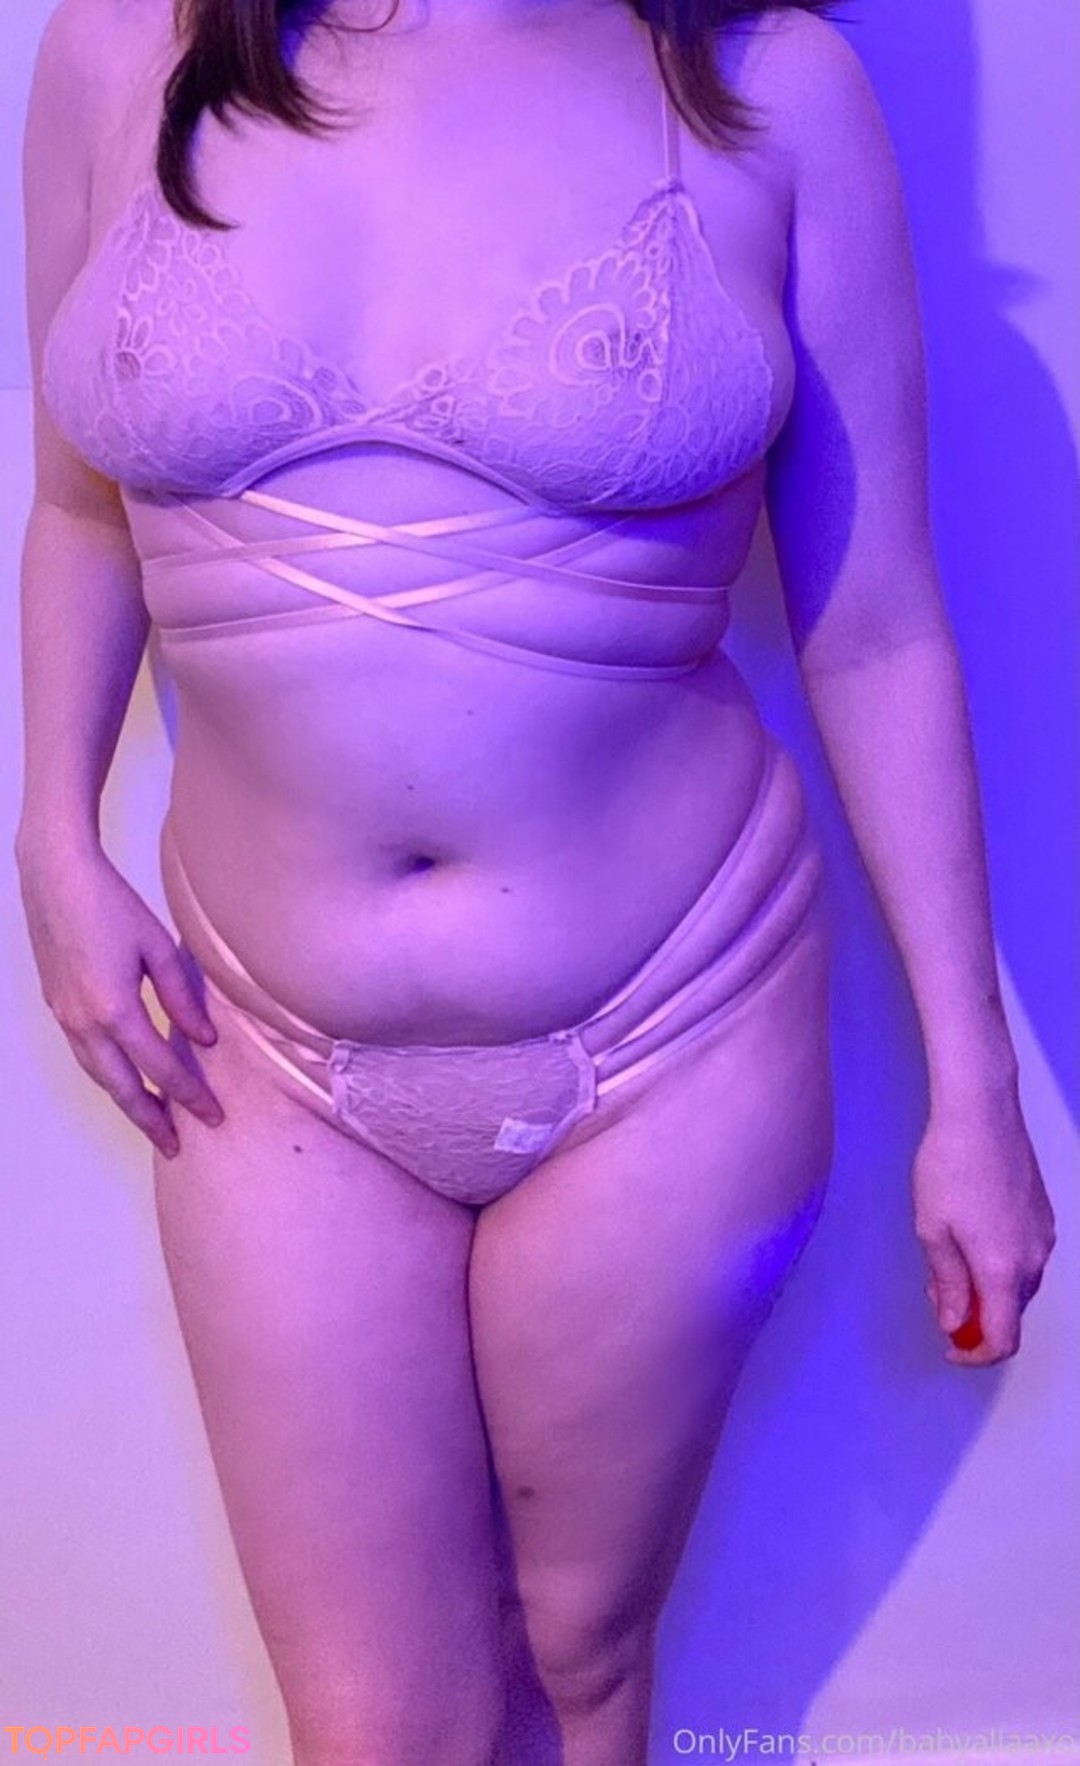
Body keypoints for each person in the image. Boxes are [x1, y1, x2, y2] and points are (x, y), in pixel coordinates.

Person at [16, 0, 1057, 1760]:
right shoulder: (126, 50)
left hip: (677, 1020)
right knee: (376, 1728)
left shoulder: (765, 86)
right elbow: (77, 507)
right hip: (256, 1037)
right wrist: (50, 831)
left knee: (574, 1658)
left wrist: (978, 1090)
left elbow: (874, 626)